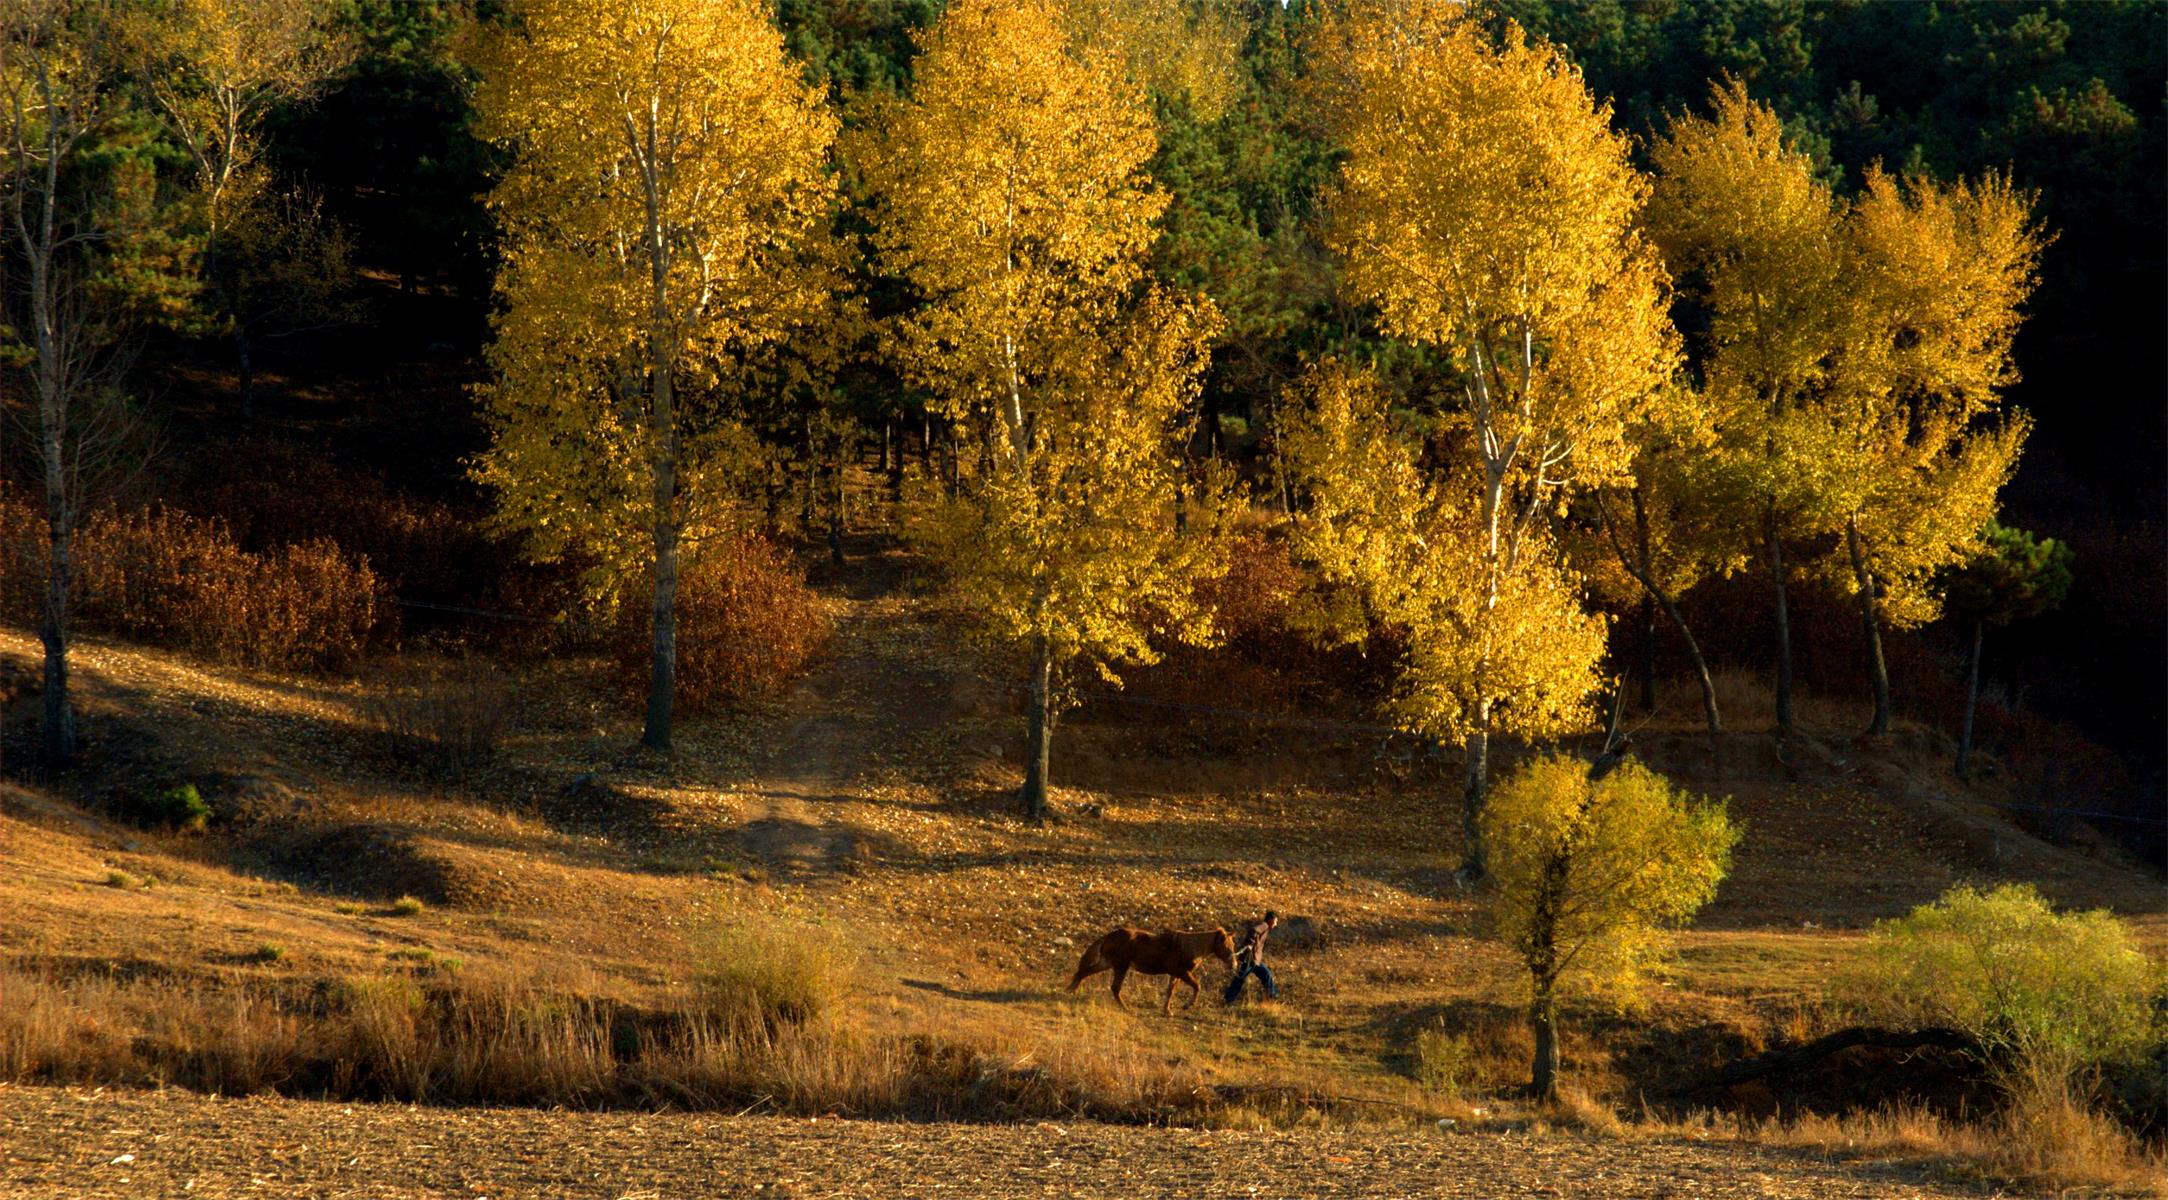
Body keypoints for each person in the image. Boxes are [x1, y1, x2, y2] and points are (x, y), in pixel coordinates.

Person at [1222, 910, 1280, 1004]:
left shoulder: (1266, 928)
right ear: (1270, 919)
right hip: (1250, 959)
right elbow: (1254, 930)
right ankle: (1228, 999)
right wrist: (1250, 943)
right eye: (1276, 921)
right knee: (1240, 979)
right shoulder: (1264, 925)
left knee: (1266, 975)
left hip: (1255, 960)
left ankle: (1272, 996)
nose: (1276, 924)